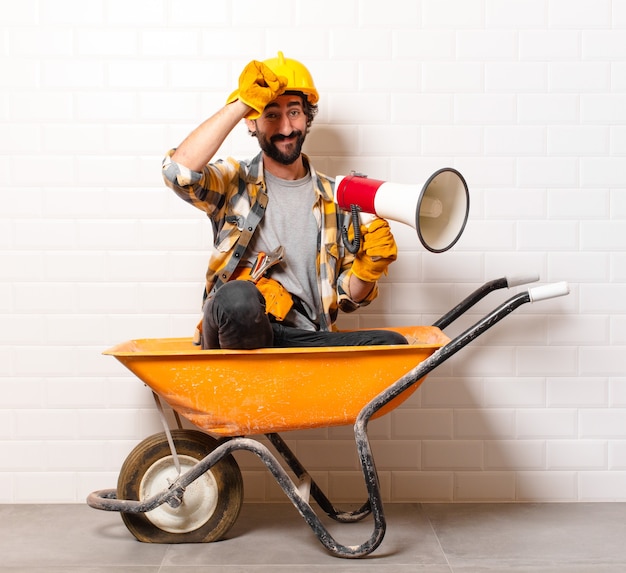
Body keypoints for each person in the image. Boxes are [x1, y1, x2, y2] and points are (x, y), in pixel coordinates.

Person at [162, 52, 407, 350]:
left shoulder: (336, 198)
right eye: (271, 114)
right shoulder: (233, 181)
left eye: (294, 112)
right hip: (239, 333)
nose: (286, 128)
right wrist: (242, 102)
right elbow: (179, 173)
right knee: (237, 299)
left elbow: (348, 298)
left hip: (303, 338)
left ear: (306, 117)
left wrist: (369, 268)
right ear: (251, 123)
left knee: (391, 344)